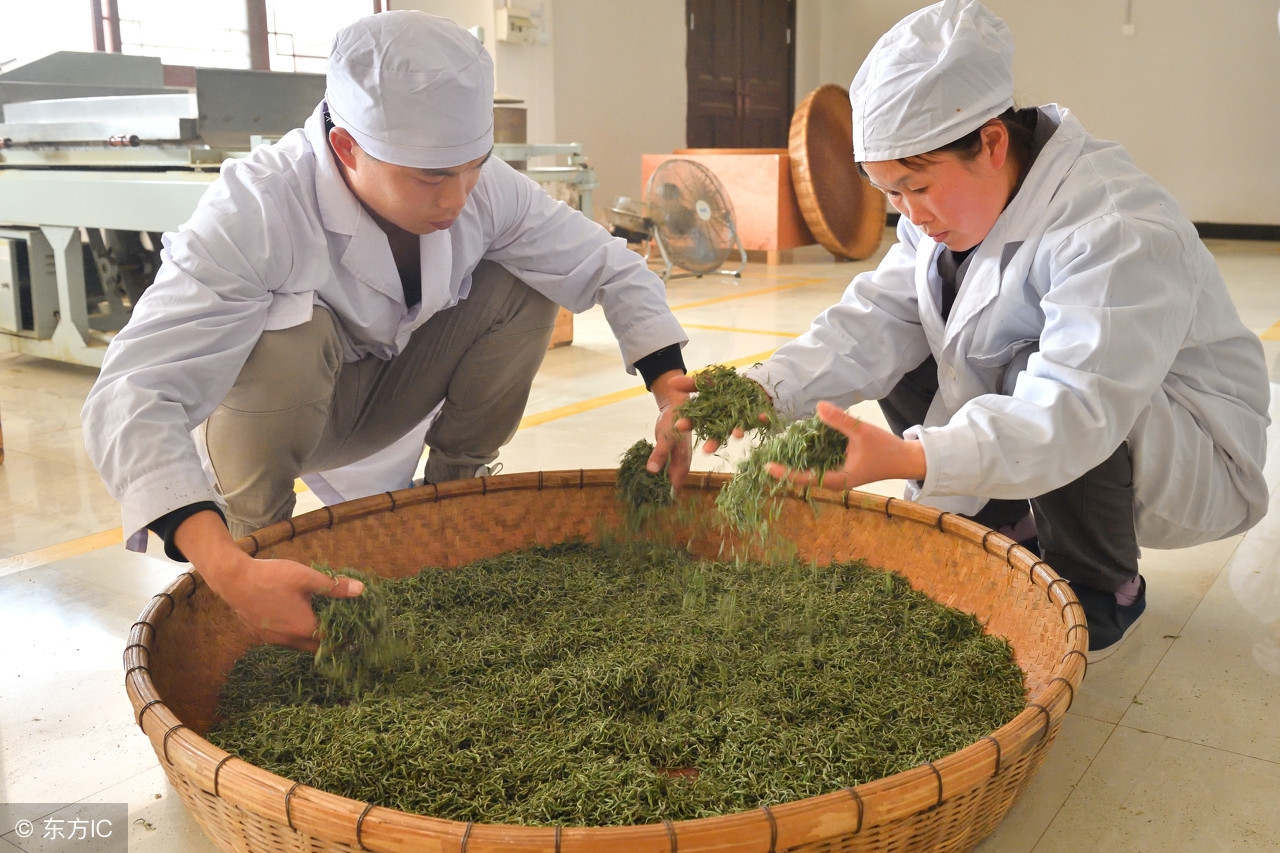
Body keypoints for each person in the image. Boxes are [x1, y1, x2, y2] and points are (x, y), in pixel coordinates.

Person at [671, 0, 1270, 662]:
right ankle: (1005, 521)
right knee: (920, 328)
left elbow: (1075, 405)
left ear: (991, 141)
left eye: (917, 186)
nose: (909, 214)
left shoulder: (1112, 225)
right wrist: (760, 388)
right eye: (890, 194)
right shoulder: (947, 213)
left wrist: (911, 458)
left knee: (1026, 371)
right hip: (1080, 413)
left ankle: (1103, 586)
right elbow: (872, 321)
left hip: (1188, 442)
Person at [82, 11, 692, 651]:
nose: (457, 199)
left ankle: (452, 498)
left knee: (524, 281)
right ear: (346, 148)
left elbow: (606, 264)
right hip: (269, 419)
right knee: (291, 336)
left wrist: (669, 388)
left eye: (473, 166)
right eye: (430, 177)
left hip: (384, 402)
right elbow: (131, 393)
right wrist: (225, 565)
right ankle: (259, 547)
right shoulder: (259, 205)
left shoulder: (478, 189)